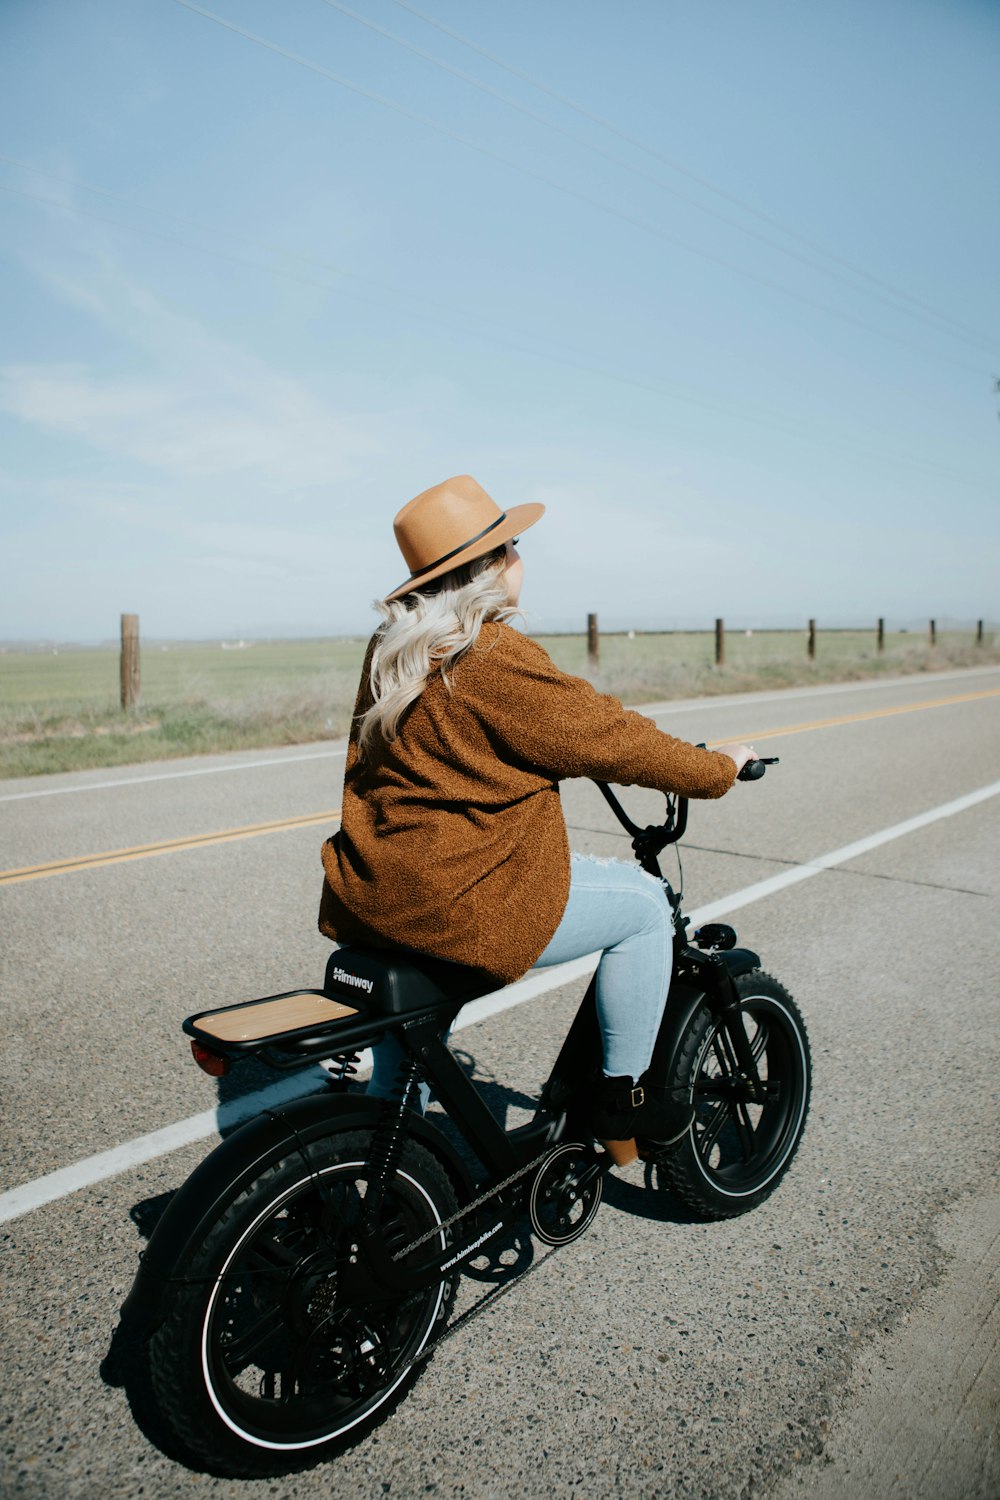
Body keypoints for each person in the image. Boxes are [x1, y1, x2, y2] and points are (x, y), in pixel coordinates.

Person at [318, 475, 756, 1152]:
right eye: (512, 545)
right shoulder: (490, 654)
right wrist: (717, 769)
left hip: (379, 893)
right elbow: (608, 737)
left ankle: (383, 1162)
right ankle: (622, 1102)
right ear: (488, 568)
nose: (521, 557)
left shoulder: (393, 648)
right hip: (461, 898)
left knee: (408, 1064)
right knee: (642, 906)